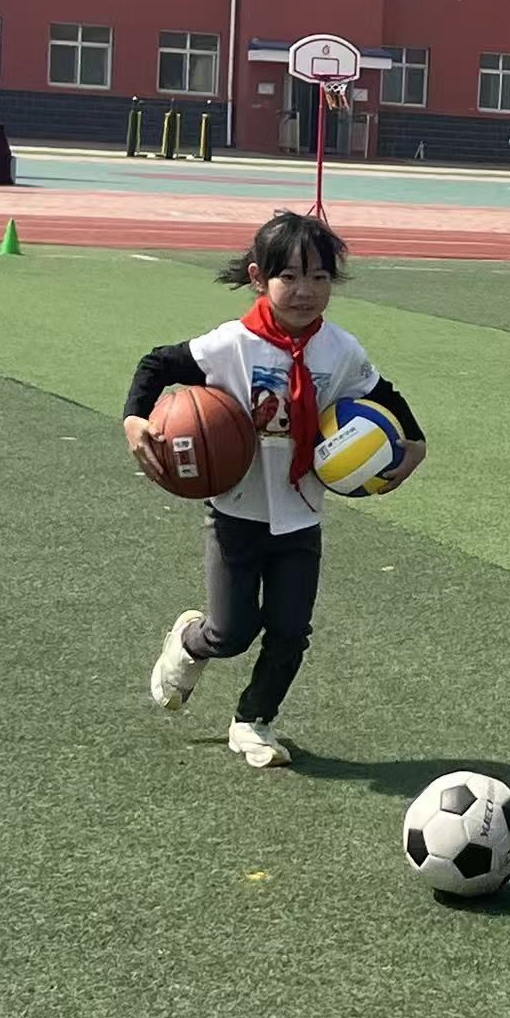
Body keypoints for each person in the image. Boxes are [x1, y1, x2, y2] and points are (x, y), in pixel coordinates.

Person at [123, 213, 427, 767]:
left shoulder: (340, 349)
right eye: (290, 276)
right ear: (259, 278)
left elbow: (382, 392)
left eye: (320, 277)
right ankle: (190, 641)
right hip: (235, 512)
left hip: (302, 514)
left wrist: (416, 443)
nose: (305, 290)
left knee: (291, 630)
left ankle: (253, 721)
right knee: (231, 632)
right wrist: (134, 419)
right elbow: (158, 364)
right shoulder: (232, 343)